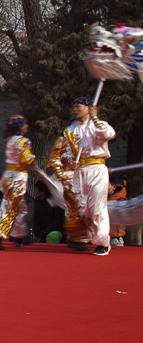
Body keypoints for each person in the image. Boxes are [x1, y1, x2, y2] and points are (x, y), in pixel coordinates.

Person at [67, 96, 117, 256]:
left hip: (97, 169)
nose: (75, 110)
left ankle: (102, 243)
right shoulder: (70, 130)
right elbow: (67, 152)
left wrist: (95, 118)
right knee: (82, 209)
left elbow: (110, 134)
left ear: (89, 108)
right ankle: (84, 238)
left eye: (78, 107)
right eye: (74, 107)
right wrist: (68, 162)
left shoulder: (98, 125)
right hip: (79, 172)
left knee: (97, 208)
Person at [0, 115, 35, 250]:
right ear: (19, 126)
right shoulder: (23, 141)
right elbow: (27, 160)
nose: (26, 126)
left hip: (9, 175)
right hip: (17, 177)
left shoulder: (11, 140)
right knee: (11, 206)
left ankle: (20, 235)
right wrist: (34, 161)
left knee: (20, 206)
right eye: (25, 124)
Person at [107, 177, 127, 246]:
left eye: (106, 185)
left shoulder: (120, 200)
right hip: (101, 237)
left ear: (114, 187)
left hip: (114, 238)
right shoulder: (102, 198)